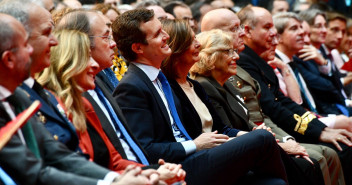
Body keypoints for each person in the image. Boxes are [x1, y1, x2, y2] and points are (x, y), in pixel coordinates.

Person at [112, 8, 288, 185]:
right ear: (138, 48)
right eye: (158, 34)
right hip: (176, 167)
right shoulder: (131, 87)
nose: (166, 36)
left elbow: (214, 129)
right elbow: (145, 149)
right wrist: (195, 145)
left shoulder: (160, 79)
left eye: (163, 30)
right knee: (262, 138)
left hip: (197, 155)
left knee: (274, 182)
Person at [0, 12, 155, 185]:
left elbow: (60, 156)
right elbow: (35, 172)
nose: (31, 51)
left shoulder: (21, 95)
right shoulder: (32, 96)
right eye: (24, 46)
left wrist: (140, 175)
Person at [37, 29, 185, 184]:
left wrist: (154, 172)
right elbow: (74, 168)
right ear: (67, 62)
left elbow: (114, 161)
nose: (95, 65)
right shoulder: (50, 108)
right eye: (87, 57)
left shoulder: (84, 104)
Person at [236, 5, 352, 185]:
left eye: (273, 27)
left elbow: (287, 102)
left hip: (281, 128)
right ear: (248, 31)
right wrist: (315, 132)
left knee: (339, 145)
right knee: (328, 153)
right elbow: (272, 108)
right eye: (267, 27)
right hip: (268, 134)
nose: (274, 33)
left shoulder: (258, 60)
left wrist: (321, 130)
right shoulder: (244, 61)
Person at [0, 0, 80, 152]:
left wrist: (112, 177)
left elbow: (63, 155)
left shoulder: (32, 91)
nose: (55, 42)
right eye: (46, 33)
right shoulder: (14, 95)